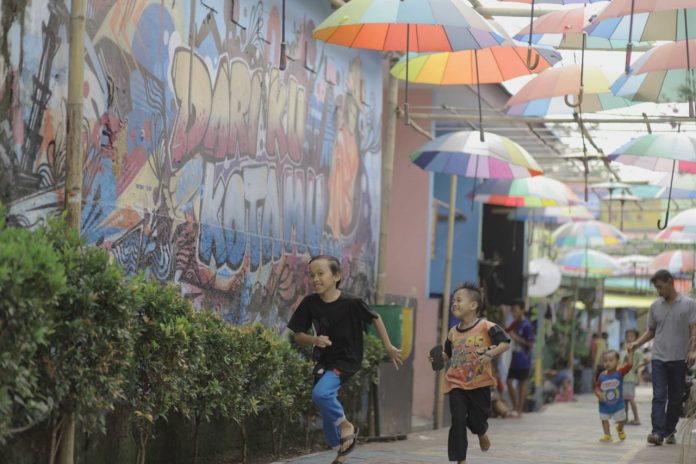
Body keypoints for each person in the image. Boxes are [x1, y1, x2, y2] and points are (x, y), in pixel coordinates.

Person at [288, 255, 403, 463]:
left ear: (337, 276)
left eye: (320, 274)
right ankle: (341, 454)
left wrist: (388, 346)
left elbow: (375, 318)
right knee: (326, 410)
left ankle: (346, 426)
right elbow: (298, 335)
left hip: (347, 359)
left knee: (320, 394)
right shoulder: (310, 303)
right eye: (311, 275)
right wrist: (315, 339)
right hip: (323, 360)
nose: (315, 279)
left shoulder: (352, 302)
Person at [429, 282, 510, 464]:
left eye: (459, 300)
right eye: (453, 301)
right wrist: (437, 358)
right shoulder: (452, 332)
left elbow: (505, 343)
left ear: (473, 305)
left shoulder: (486, 326)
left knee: (477, 420)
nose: (454, 304)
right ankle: (461, 460)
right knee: (458, 420)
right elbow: (447, 355)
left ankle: (481, 432)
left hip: (480, 384)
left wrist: (490, 354)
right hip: (456, 383)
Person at [627, 269, 696, 446]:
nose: (659, 291)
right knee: (658, 396)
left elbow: (693, 330)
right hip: (658, 357)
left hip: (679, 359)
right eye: (657, 288)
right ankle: (657, 432)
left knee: (675, 399)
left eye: (660, 287)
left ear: (670, 282)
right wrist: (636, 344)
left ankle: (669, 430)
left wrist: (692, 351)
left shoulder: (689, 304)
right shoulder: (655, 306)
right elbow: (651, 331)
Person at [595, 349, 634, 443]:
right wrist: (598, 393)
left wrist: (631, 353)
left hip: (618, 404)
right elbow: (596, 387)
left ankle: (620, 429)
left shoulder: (619, 373)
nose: (607, 363)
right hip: (604, 404)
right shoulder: (601, 375)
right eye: (605, 361)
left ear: (617, 362)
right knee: (604, 419)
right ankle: (607, 435)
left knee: (622, 419)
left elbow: (629, 365)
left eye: (611, 360)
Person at [505, 300, 535, 417]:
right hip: (515, 358)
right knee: (509, 381)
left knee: (523, 382)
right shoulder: (515, 323)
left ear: (522, 310)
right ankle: (515, 406)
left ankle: (519, 410)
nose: (513, 313)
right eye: (512, 311)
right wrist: (504, 314)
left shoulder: (527, 325)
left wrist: (516, 338)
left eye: (515, 311)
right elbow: (506, 330)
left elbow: (531, 343)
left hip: (524, 358)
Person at [620, 328, 646, 425]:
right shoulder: (624, 350)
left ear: (636, 338)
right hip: (623, 377)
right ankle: (625, 418)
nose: (629, 338)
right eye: (628, 336)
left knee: (630, 398)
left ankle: (636, 418)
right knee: (624, 399)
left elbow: (645, 360)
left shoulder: (637, 351)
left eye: (632, 336)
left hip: (630, 378)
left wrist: (638, 367)